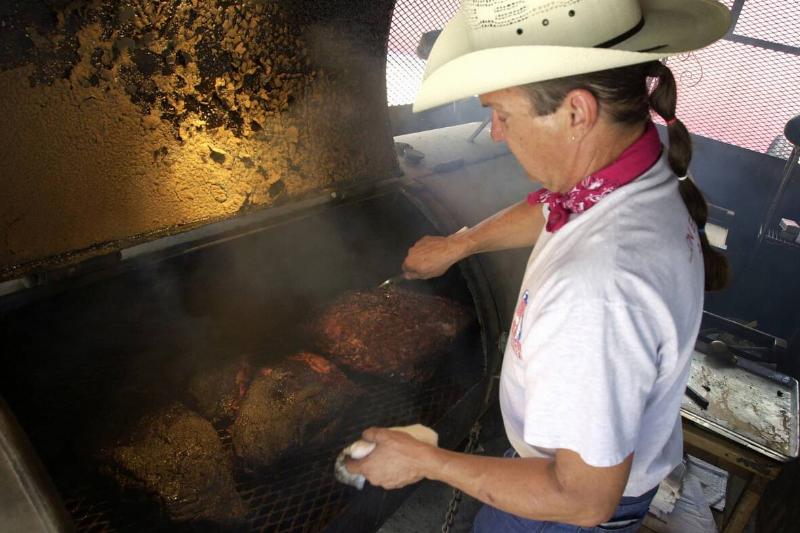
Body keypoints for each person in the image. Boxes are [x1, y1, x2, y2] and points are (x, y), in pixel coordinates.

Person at [346, 0, 732, 531]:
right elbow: (557, 208)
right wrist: (460, 245)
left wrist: (425, 461)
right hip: (568, 465)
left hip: (565, 509)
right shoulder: (633, 170)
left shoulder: (598, 290)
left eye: (502, 114)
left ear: (577, 112)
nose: (497, 132)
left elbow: (582, 499)